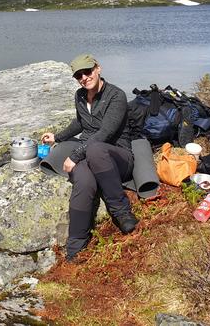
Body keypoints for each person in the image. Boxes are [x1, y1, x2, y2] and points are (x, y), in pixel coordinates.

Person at [41, 54, 138, 260]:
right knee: (83, 180)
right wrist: (57, 137)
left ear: (98, 69)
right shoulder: (80, 96)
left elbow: (105, 133)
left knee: (95, 150)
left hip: (118, 157)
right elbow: (80, 123)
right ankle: (76, 246)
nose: (84, 77)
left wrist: (74, 156)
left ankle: (121, 212)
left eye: (88, 71)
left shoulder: (116, 96)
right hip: (90, 153)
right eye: (79, 75)